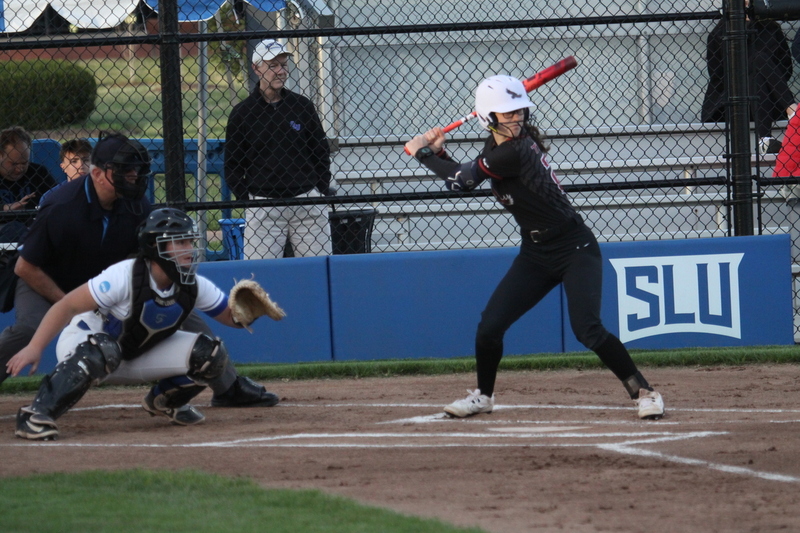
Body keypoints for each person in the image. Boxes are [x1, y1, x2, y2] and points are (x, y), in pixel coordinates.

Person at [403, 75, 665, 420]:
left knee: (587, 329)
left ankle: (645, 392)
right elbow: (467, 173)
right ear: (488, 118)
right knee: (490, 325)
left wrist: (421, 153)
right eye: (507, 114)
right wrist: (439, 152)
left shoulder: (515, 149)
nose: (516, 119)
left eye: (518, 113)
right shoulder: (495, 148)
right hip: (536, 252)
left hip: (574, 246)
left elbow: (462, 182)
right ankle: (483, 396)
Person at [0, 133, 279, 413]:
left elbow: (149, 260)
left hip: (100, 280)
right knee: (29, 328)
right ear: (97, 174)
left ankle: (228, 388)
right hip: (46, 279)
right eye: (124, 170)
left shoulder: (136, 204)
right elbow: (26, 267)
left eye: (136, 169)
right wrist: (72, 304)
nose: (133, 176)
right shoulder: (62, 206)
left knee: (181, 304)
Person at [8, 208, 251, 440]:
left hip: (136, 353)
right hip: (87, 343)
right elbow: (67, 306)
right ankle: (35, 415)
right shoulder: (125, 275)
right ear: (156, 246)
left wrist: (249, 311)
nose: (190, 249)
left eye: (190, 241)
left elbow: (231, 318)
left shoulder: (193, 284)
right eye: (181, 242)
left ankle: (165, 401)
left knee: (211, 354)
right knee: (104, 348)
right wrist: (35, 347)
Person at [224, 39, 336, 259]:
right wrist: (248, 198)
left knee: (320, 269)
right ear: (256, 69)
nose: (280, 71)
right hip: (264, 205)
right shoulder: (243, 113)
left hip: (307, 202)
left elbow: (320, 150)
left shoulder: (302, 106)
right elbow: (233, 163)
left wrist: (319, 188)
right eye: (273, 66)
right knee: (260, 275)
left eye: (283, 65)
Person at [701, 4, 796, 154]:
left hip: (769, 102)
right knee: (758, 60)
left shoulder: (771, 30)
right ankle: (792, 110)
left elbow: (785, 69)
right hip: (731, 105)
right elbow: (718, 77)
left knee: (758, 75)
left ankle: (765, 139)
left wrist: (763, 75)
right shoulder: (720, 34)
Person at [0, 127, 57, 242]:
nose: (19, 169)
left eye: (24, 163)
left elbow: (58, 196)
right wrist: (6, 208)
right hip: (5, 230)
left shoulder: (38, 173)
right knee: (14, 229)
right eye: (14, 164)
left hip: (35, 227)